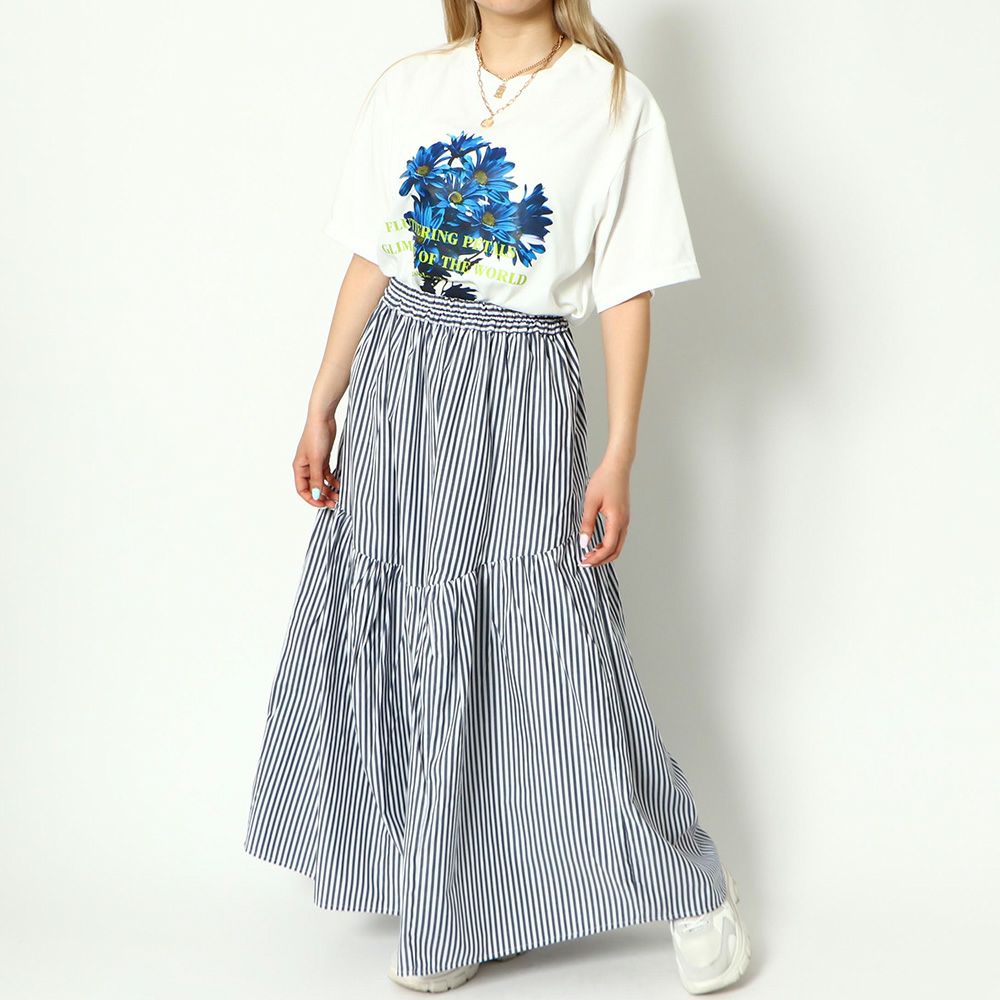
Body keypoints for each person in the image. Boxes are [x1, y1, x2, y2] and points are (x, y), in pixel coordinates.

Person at [243, 0, 751, 994]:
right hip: (399, 379)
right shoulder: (410, 87)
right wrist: (321, 401)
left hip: (519, 382)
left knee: (553, 634)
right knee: (412, 626)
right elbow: (373, 254)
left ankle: (692, 884)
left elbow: (628, 287)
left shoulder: (614, 103)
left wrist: (621, 451)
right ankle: (450, 901)